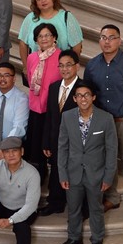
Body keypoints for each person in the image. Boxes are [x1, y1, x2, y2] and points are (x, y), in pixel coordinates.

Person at [83, 24, 123, 226]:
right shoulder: (92, 66)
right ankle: (112, 198)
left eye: (112, 37)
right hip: (102, 122)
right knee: (106, 162)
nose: (107, 41)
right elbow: (87, 96)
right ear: (99, 40)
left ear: (119, 40)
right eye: (103, 37)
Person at [57, 80, 117, 244]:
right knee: (73, 208)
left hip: (96, 174)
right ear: (74, 99)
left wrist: (108, 176)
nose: (83, 98)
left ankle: (97, 241)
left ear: (93, 97)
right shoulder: (66, 117)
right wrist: (62, 173)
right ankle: (74, 238)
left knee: (96, 208)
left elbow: (112, 150)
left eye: (87, 95)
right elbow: (62, 147)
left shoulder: (106, 118)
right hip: (73, 172)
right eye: (79, 95)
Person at [39, 49, 81, 216]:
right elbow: (49, 116)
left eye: (68, 65)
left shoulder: (83, 88)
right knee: (56, 170)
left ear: (77, 66)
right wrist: (46, 141)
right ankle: (55, 203)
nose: (64, 69)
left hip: (76, 142)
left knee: (75, 173)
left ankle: (75, 205)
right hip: (56, 140)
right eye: (61, 66)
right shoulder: (54, 86)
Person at [17, 0, 83, 74]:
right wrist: (25, 67)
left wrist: (70, 66)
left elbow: (77, 45)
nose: (43, 1)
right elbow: (23, 44)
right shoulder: (30, 18)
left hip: (61, 70)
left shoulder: (67, 17)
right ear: (35, 3)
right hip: (36, 69)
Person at [24, 22, 62, 177]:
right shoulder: (32, 57)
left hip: (52, 109)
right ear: (36, 40)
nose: (44, 38)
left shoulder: (61, 56)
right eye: (40, 36)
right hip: (35, 107)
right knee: (35, 144)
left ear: (54, 38)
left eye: (47, 35)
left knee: (50, 145)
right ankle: (37, 175)